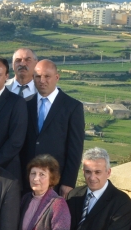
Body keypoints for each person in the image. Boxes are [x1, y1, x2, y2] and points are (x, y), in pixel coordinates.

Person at [22, 60, 84, 194]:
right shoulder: (25, 104)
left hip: (56, 181)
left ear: (57, 77)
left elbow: (75, 148)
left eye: (47, 76)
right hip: (27, 180)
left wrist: (68, 182)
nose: (42, 80)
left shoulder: (72, 107)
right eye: (38, 77)